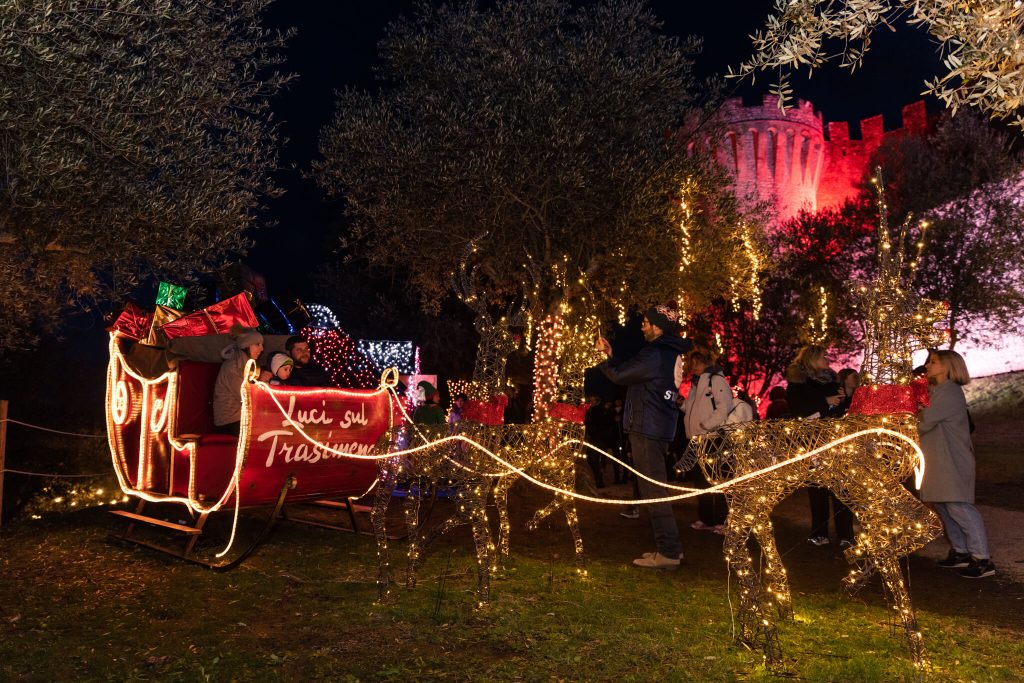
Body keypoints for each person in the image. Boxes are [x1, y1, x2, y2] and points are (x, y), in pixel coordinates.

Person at [598, 303, 692, 569]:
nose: (641, 326)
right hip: (656, 427)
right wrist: (612, 354)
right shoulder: (667, 353)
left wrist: (604, 359)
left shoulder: (656, 353)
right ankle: (670, 548)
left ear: (658, 327)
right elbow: (631, 373)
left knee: (654, 492)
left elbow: (619, 375)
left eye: (646, 323)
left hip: (647, 428)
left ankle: (669, 553)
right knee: (655, 489)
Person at [918, 349, 995, 579]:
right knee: (943, 505)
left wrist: (912, 411)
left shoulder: (948, 392)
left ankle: (982, 558)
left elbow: (924, 422)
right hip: (938, 457)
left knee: (959, 506)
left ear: (948, 367)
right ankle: (961, 551)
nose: (927, 366)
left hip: (951, 458)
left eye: (933, 362)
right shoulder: (936, 390)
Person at [786, 344, 854, 548]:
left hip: (836, 440)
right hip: (812, 441)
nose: (827, 359)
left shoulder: (832, 380)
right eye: (823, 356)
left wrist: (843, 399)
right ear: (811, 359)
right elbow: (799, 411)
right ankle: (819, 532)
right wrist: (826, 402)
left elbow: (842, 408)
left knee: (842, 488)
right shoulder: (798, 384)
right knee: (817, 488)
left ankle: (845, 534)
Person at [681, 349, 733, 534]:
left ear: (705, 363)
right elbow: (691, 407)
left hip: (712, 438)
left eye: (696, 363)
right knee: (701, 481)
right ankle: (706, 517)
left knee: (717, 480)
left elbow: (724, 407)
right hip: (697, 438)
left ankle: (722, 519)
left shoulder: (716, 380)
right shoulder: (696, 384)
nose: (692, 366)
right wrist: (681, 403)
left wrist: (706, 425)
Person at [212, 326, 264, 436]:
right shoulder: (232, 367)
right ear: (246, 346)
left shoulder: (248, 365)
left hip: (242, 418)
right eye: (257, 345)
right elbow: (246, 396)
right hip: (229, 422)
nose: (261, 349)